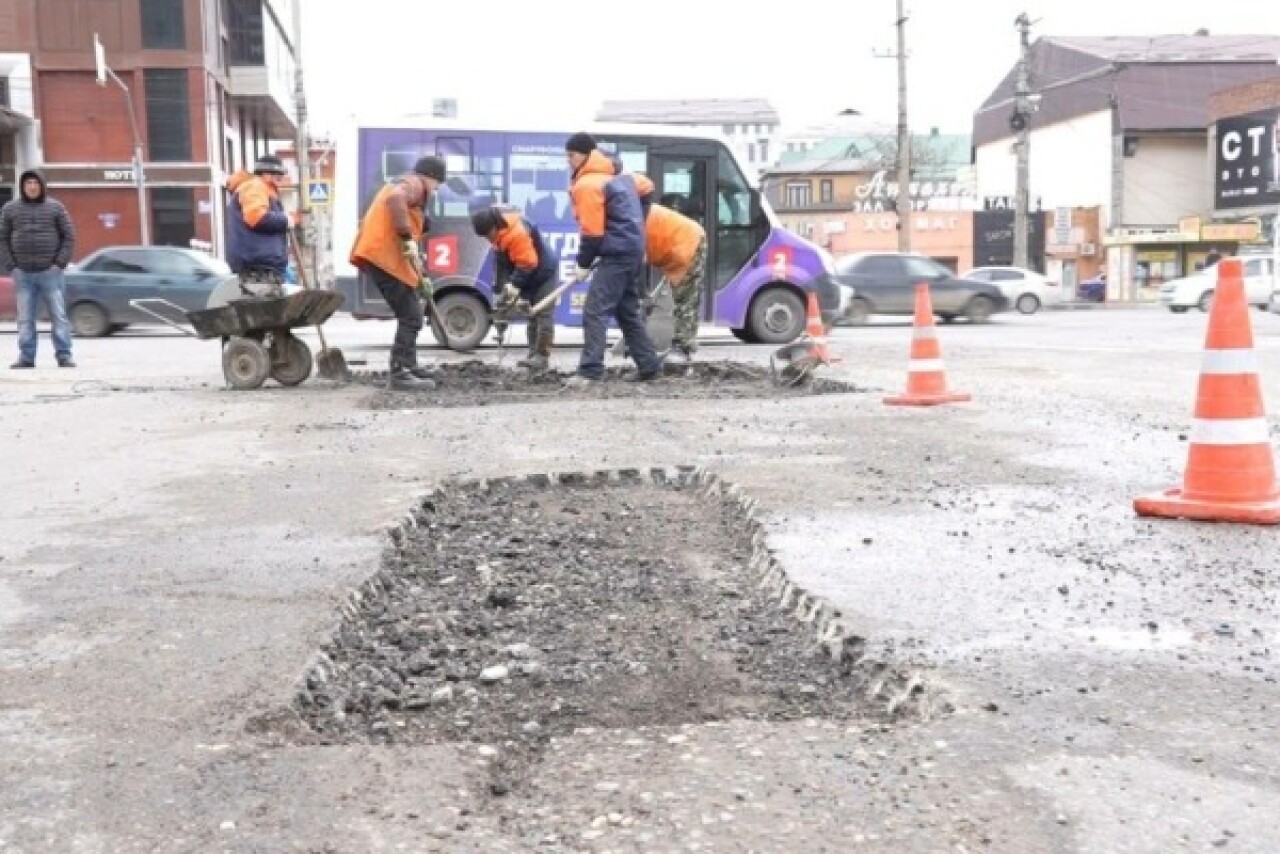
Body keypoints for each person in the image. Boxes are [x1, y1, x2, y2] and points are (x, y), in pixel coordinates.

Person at [563, 132, 663, 385]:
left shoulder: (587, 185)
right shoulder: (620, 176)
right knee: (626, 311)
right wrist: (636, 220)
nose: (568, 161)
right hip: (632, 249)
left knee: (595, 310)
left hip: (617, 253)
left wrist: (583, 264)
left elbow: (593, 234)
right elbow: (648, 187)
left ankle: (590, 371)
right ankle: (649, 365)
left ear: (585, 155)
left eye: (571, 155)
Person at [349, 155, 447, 389]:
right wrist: (406, 237)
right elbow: (395, 200)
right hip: (382, 257)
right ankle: (400, 373)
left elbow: (411, 239)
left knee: (412, 309)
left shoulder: (408, 187)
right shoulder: (414, 184)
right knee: (411, 315)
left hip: (383, 256)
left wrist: (420, 274)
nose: (435, 191)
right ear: (430, 178)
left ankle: (409, 365)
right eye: (437, 185)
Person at [0, 169, 76, 369]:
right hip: (22, 273)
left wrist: (59, 264)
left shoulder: (56, 208)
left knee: (58, 316)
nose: (32, 187)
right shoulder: (10, 209)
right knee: (25, 318)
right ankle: (26, 357)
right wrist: (12, 266)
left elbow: (68, 237)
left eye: (35, 183)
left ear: (42, 185)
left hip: (50, 273)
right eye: (28, 183)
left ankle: (64, 355)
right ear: (22, 186)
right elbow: (3, 239)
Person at [471, 205, 560, 371]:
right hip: (528, 273)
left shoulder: (516, 232)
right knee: (531, 316)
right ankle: (533, 355)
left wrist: (515, 285)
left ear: (494, 226)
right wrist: (501, 291)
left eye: (487, 234)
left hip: (544, 272)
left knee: (543, 314)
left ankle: (541, 357)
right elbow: (502, 265)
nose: (487, 239)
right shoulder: (497, 236)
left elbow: (528, 263)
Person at [643, 203, 706, 359]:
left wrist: (642, 295)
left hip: (688, 243)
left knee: (685, 300)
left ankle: (682, 349)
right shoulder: (628, 210)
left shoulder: (627, 220)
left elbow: (636, 262)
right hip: (676, 244)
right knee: (683, 298)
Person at [226, 154, 290, 298]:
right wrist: (285, 220)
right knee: (264, 311)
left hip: (261, 263)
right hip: (257, 264)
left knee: (268, 311)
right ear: (266, 173)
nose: (280, 178)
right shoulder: (255, 186)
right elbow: (257, 218)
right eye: (278, 174)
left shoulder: (263, 190)